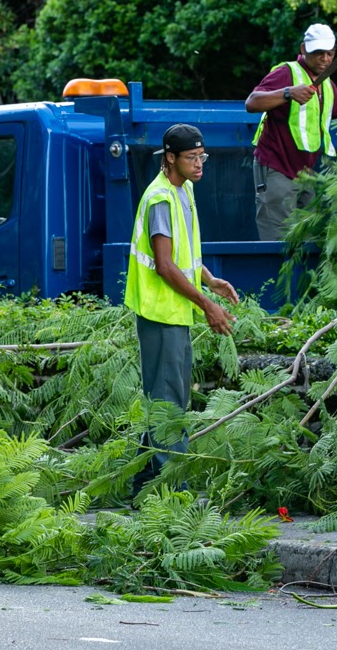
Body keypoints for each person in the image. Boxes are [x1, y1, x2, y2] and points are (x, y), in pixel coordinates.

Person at [124, 124, 239, 496]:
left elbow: (182, 256)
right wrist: (207, 305)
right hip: (160, 315)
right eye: (192, 157)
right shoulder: (160, 198)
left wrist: (210, 280)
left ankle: (142, 485)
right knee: (169, 404)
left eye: (202, 156)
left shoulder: (183, 189)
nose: (199, 163)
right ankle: (176, 493)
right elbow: (165, 265)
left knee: (165, 398)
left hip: (173, 313)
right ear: (170, 158)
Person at [245, 23, 337, 240]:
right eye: (319, 53)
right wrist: (288, 93)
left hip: (306, 174)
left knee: (307, 241)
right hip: (277, 169)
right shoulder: (287, 73)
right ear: (304, 49)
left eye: (330, 54)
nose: (325, 59)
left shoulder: (326, 85)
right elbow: (252, 103)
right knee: (279, 242)